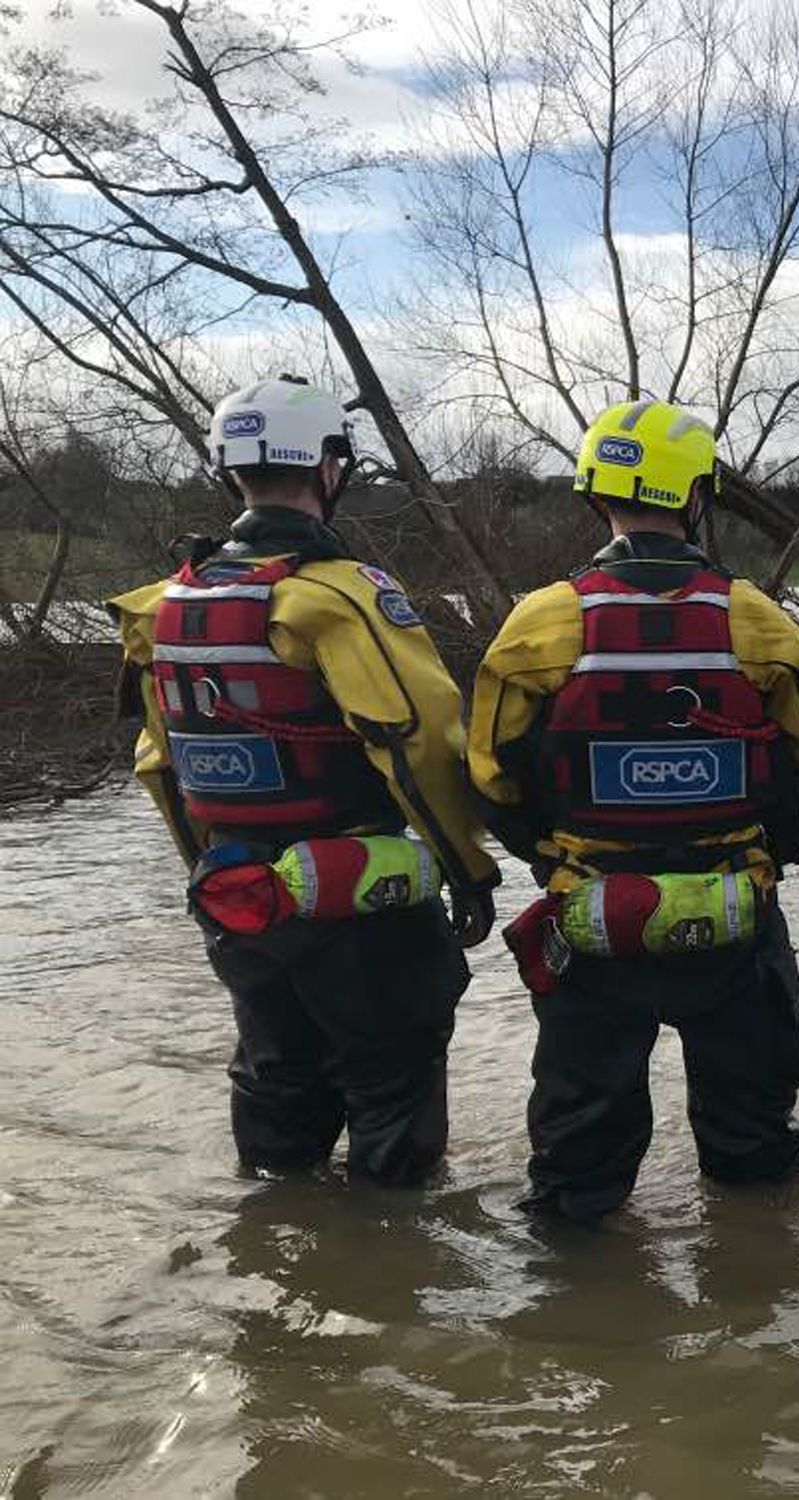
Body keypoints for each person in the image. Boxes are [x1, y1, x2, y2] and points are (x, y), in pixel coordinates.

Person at [470, 398, 799, 1222]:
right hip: (734, 922)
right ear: (697, 497)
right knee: (755, 1159)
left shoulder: (541, 621)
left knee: (574, 1178)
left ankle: (576, 1322)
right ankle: (760, 1308)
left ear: (594, 495)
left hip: (592, 927)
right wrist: (775, 850)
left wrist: (550, 861)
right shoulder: (752, 616)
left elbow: (490, 777)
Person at [105, 375, 499, 1186]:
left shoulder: (163, 606)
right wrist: (471, 871)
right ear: (328, 467)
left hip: (243, 899)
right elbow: (417, 744)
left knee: (276, 1085)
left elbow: (160, 765)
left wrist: (211, 886)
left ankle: (277, 1264)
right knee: (393, 1093)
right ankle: (392, 1269)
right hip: (361, 908)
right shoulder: (337, 597)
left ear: (231, 469)